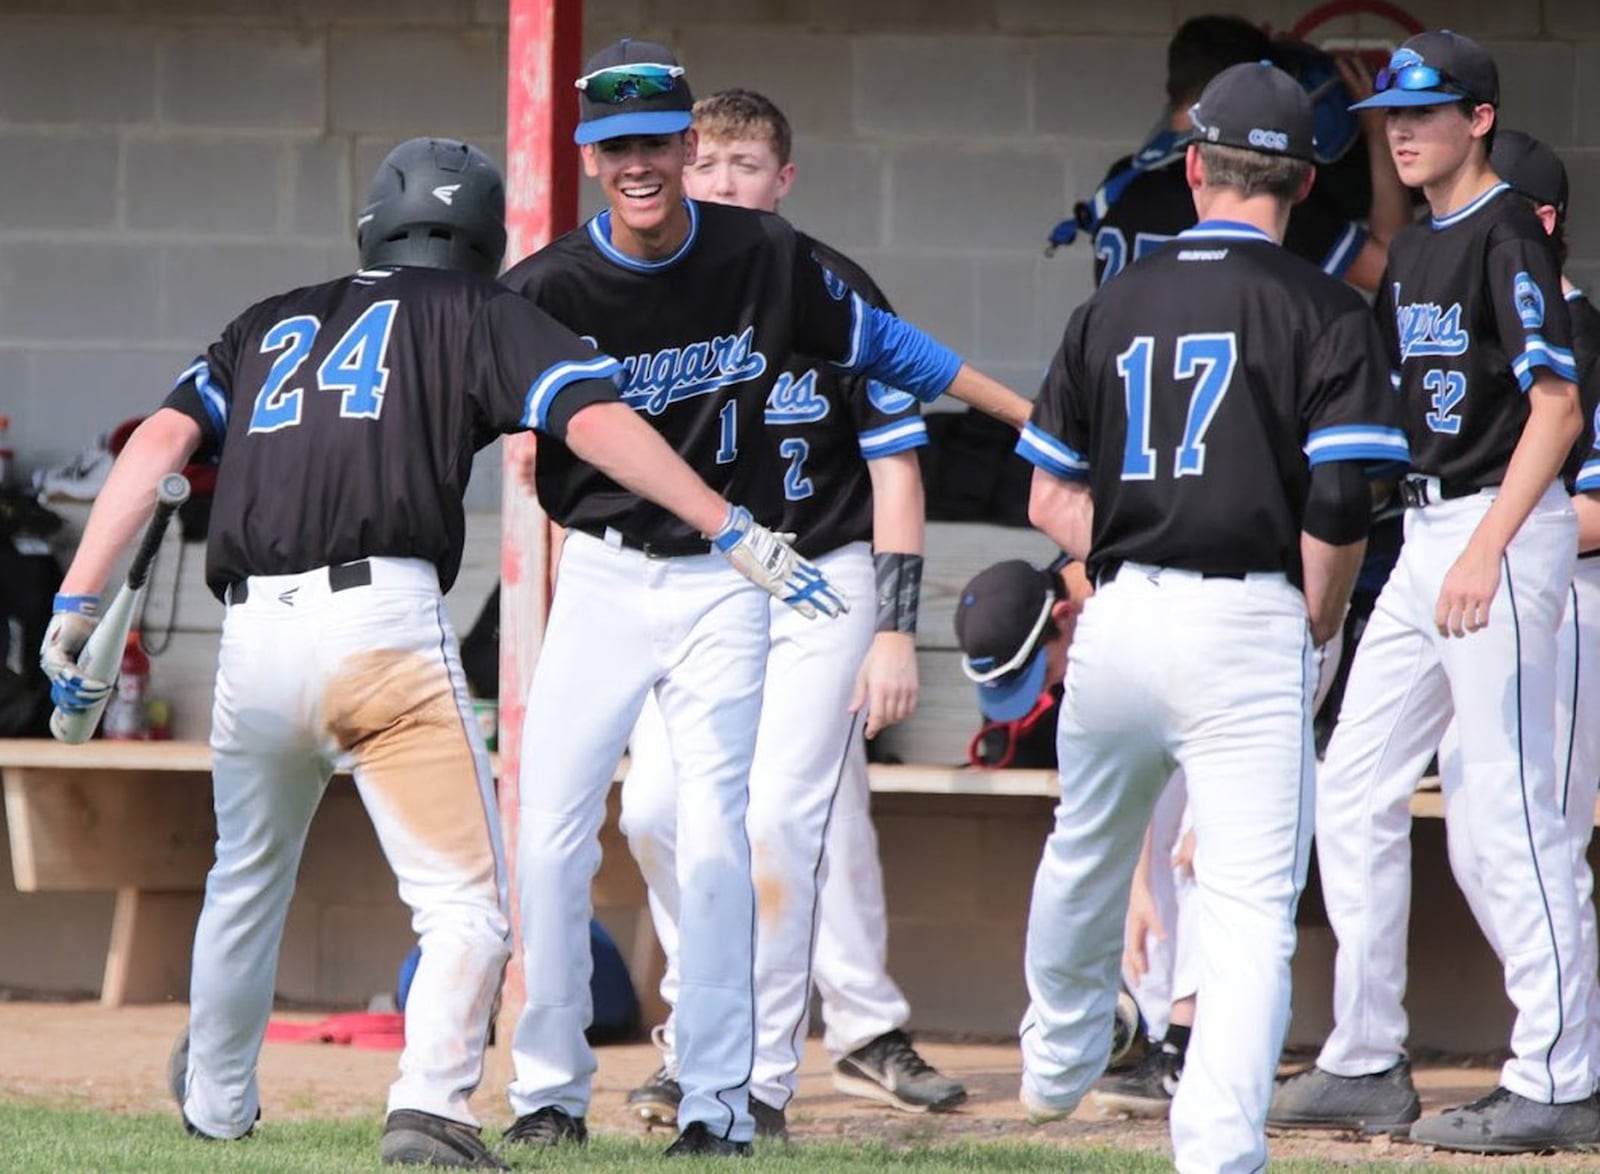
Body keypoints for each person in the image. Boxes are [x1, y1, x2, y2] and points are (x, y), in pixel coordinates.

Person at [37, 137, 842, 1172]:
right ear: (482, 235)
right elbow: (594, 422)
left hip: (257, 638)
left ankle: (217, 1106)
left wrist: (76, 597)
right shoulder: (479, 309)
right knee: (463, 906)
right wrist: (725, 522)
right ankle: (427, 1106)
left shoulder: (268, 316)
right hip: (382, 628)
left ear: (372, 224)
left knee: (245, 881)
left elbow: (155, 446)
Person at [496, 39, 1030, 1159]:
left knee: (721, 836)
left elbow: (889, 348)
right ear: (590, 160)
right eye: (613, 147)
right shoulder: (543, 289)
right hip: (597, 573)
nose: (636, 163)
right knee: (548, 833)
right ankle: (548, 1090)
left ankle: (720, 1100)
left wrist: (1028, 419)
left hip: (736, 579)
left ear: (684, 147)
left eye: (655, 142)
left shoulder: (767, 257)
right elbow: (445, 409)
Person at [1014, 60, 1407, 1174]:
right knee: (1241, 915)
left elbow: (1046, 494)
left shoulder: (1112, 301)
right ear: (1301, 181)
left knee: (1084, 852)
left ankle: (1055, 1052)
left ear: (1194, 165)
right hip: (1251, 619)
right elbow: (1338, 502)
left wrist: (1139, 547)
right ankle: (1217, 1155)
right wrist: (1317, 625)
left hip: (1124, 610)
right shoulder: (1328, 307)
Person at [1266, 32, 1600, 1153]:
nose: (1403, 131)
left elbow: (1553, 411)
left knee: (1508, 811)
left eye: (1426, 113)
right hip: (1425, 531)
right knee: (1350, 781)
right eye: (1390, 119)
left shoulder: (1509, 229)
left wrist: (1486, 546)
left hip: (1496, 532)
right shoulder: (1412, 248)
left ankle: (1558, 1075)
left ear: (1480, 119)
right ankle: (1365, 1058)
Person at [617, 88, 965, 1137]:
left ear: (784, 180)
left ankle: (752, 1081)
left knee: (774, 818)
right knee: (653, 811)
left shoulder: (832, 284)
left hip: (818, 576)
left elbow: (897, 471)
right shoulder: (655, 290)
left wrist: (896, 628)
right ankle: (701, 1029)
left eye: (745, 166)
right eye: (706, 163)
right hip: (696, 578)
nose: (723, 183)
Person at [1080, 14, 1409, 292]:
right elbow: (1392, 273)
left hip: (1122, 361)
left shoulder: (1120, 181)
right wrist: (1378, 132)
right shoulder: (1249, 182)